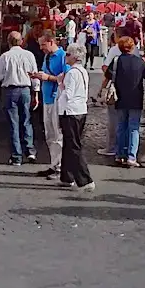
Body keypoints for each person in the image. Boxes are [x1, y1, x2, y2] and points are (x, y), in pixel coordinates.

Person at [0, 31, 38, 165]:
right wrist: (36, 93)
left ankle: (16, 156)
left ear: (8, 42)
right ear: (21, 41)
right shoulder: (29, 55)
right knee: (26, 120)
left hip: (10, 90)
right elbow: (35, 75)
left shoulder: (5, 56)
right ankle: (30, 151)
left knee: (13, 123)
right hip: (25, 89)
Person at [110, 35, 145, 168]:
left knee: (121, 126)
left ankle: (119, 154)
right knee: (134, 128)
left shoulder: (116, 61)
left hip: (120, 98)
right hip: (135, 98)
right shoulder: (139, 62)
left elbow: (109, 75)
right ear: (133, 47)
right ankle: (131, 156)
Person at [57, 43, 95, 192]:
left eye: (68, 54)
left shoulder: (72, 73)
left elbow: (68, 93)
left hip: (71, 112)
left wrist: (61, 85)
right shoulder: (82, 71)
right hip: (80, 110)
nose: (66, 56)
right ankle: (67, 176)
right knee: (69, 144)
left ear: (74, 56)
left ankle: (85, 179)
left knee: (73, 146)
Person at [32, 34, 67, 176]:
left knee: (58, 134)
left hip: (57, 99)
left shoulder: (63, 56)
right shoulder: (47, 57)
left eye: (43, 45)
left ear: (51, 42)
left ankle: (60, 166)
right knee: (49, 134)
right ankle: (54, 164)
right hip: (46, 98)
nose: (41, 48)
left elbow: (65, 77)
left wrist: (47, 78)